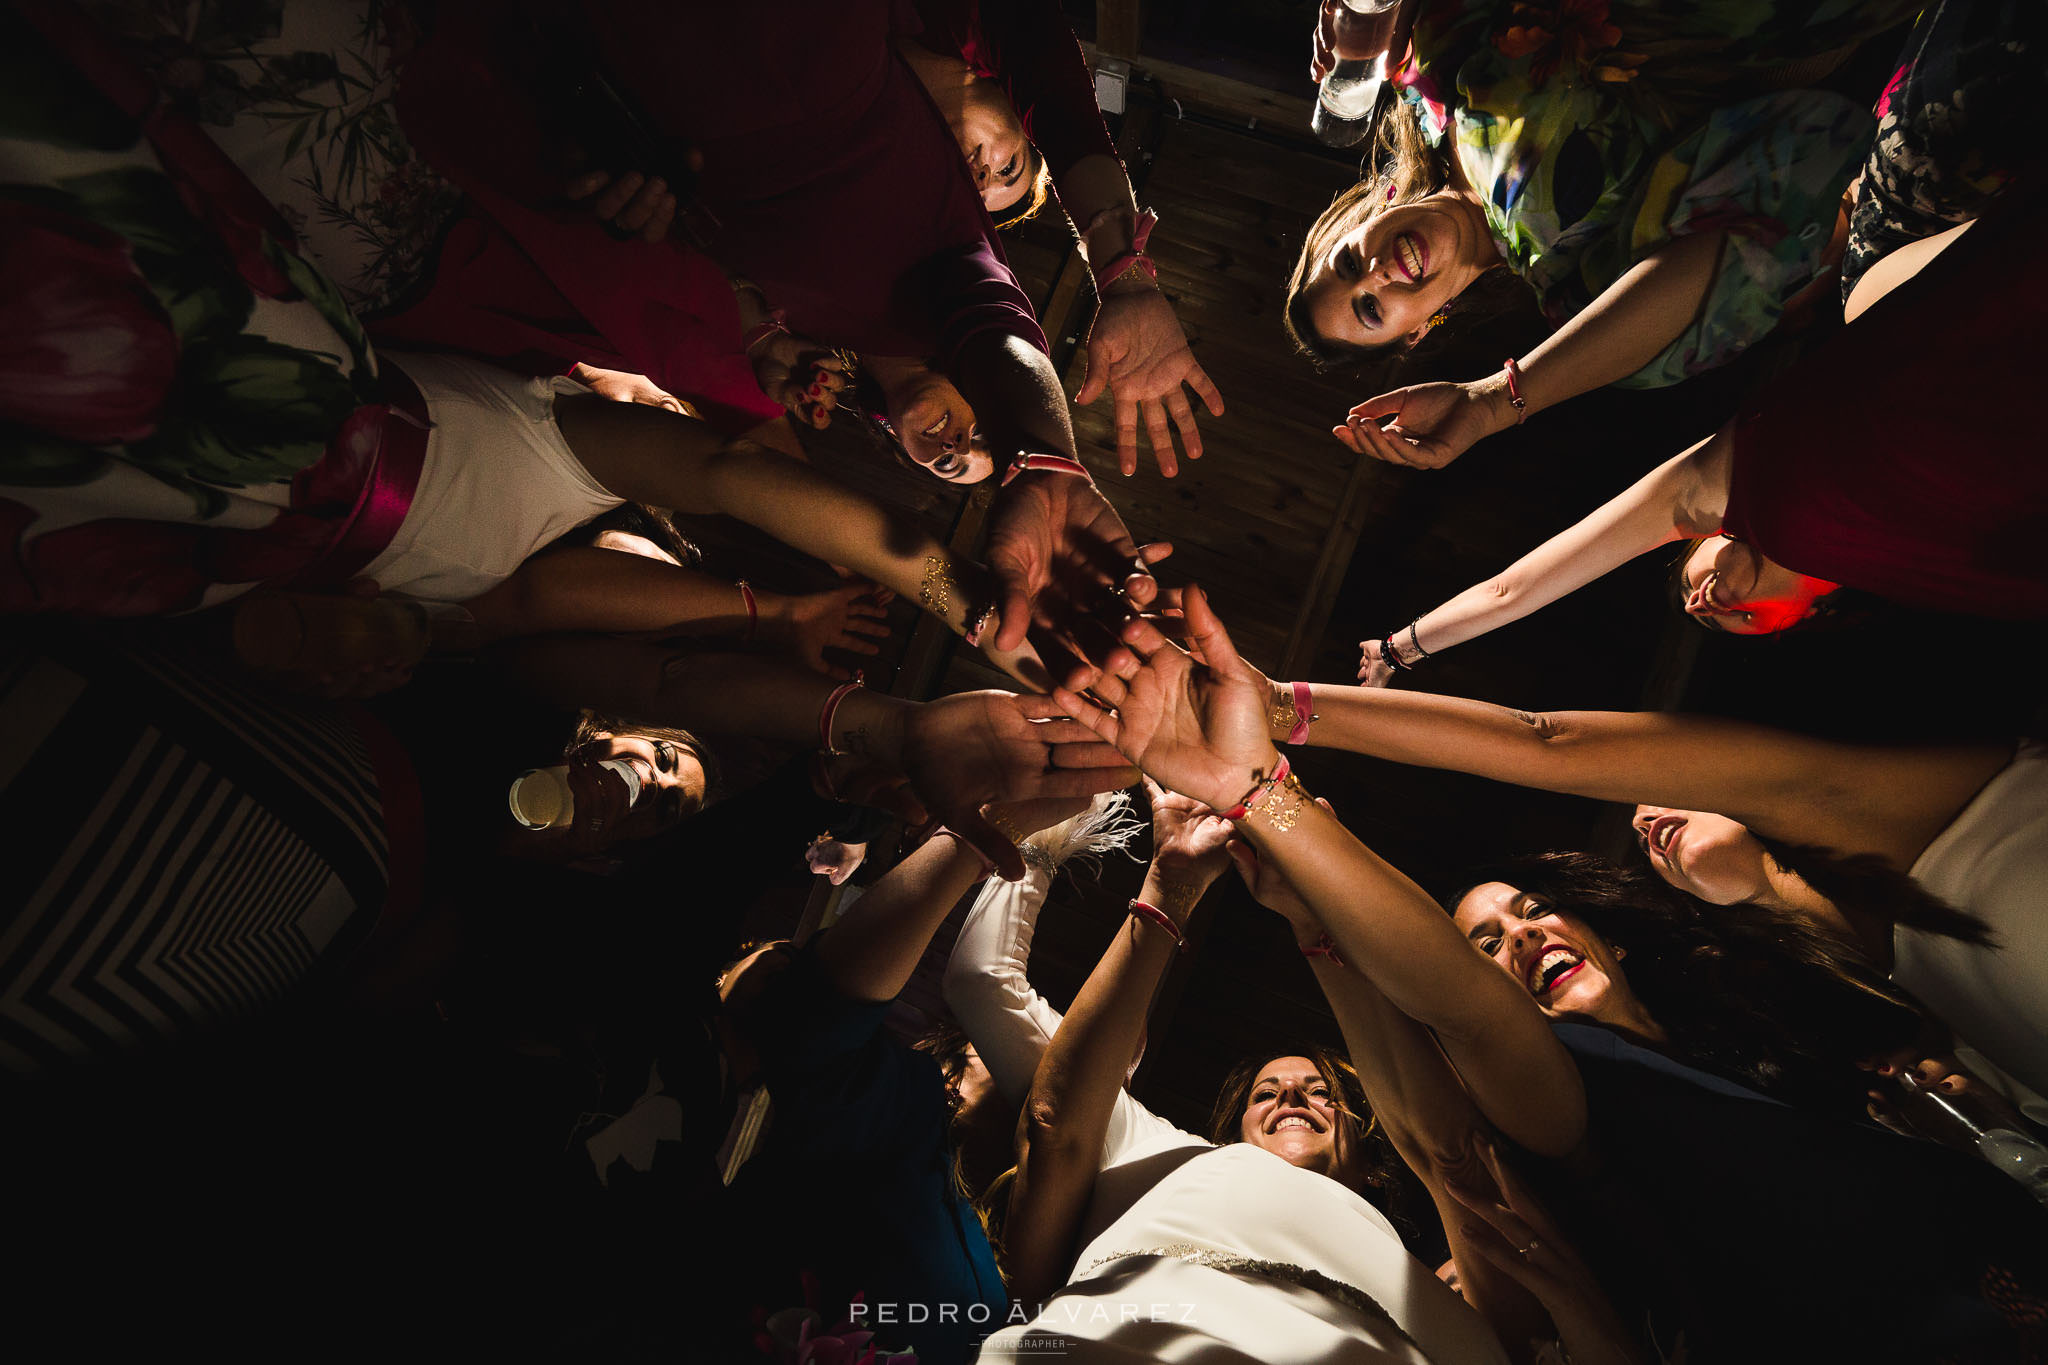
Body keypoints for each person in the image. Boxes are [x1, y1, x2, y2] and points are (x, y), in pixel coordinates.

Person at [1043, 582, 2048, 1362]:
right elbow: (1467, 1018)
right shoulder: (1577, 1108)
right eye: (1483, 944)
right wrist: (1257, 793)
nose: (1515, 941)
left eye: (1528, 913)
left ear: (1604, 931)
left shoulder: (1758, 1029)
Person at [1351, 161, 2048, 678]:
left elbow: (1519, 587)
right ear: (1805, 619)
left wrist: (1402, 646)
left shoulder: (1723, 487)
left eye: (1689, 585)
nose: (1706, 600)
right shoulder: (1950, 584)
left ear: (1697, 538)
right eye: (1726, 620)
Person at [1295, 0, 1917, 469]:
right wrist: (1489, 404)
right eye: (1371, 309)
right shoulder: (1573, 277)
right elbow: (1718, 258)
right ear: (1420, 329)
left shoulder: (1427, 71)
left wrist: (1370, 18)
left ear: (1366, 214)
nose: (1375, 275)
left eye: (1349, 262)